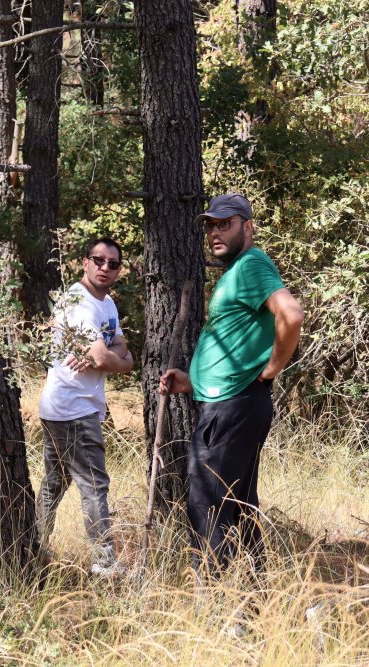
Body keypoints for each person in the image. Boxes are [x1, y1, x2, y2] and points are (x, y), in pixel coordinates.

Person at [159, 193, 304, 577]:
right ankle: (255, 599)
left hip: (234, 406)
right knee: (237, 506)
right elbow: (239, 342)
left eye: (225, 224)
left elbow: (291, 315)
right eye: (211, 225)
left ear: (248, 227)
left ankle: (214, 597)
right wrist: (194, 382)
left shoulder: (252, 265)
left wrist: (271, 370)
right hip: (233, 403)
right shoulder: (239, 269)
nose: (215, 232)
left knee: (206, 503)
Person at [37, 238, 134, 575]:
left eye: (113, 264)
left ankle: (33, 547)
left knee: (54, 483)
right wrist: (112, 359)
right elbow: (106, 356)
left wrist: (113, 358)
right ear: (85, 262)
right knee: (94, 484)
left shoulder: (106, 304)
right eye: (99, 260)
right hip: (72, 407)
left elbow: (120, 349)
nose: (105, 268)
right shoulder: (79, 303)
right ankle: (104, 563)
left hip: (68, 406)